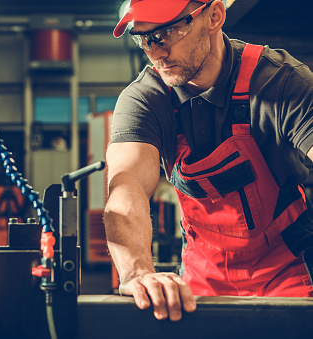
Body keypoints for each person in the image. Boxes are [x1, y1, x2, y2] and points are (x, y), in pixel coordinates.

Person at [104, 0, 313, 322]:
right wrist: (137, 273)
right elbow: (125, 187)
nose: (155, 52)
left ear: (214, 16)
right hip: (203, 275)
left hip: (287, 270)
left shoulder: (281, 82)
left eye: (167, 32)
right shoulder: (144, 99)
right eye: (143, 38)